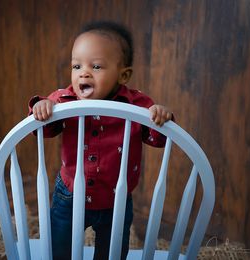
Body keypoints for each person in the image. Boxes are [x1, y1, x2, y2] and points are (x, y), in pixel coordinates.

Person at [28, 21, 173, 260]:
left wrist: (161, 117)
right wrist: (42, 108)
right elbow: (44, 130)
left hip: (117, 196)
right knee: (60, 248)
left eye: (96, 66)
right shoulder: (64, 101)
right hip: (71, 193)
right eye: (77, 66)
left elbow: (158, 140)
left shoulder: (137, 106)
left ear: (123, 74)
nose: (83, 73)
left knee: (112, 252)